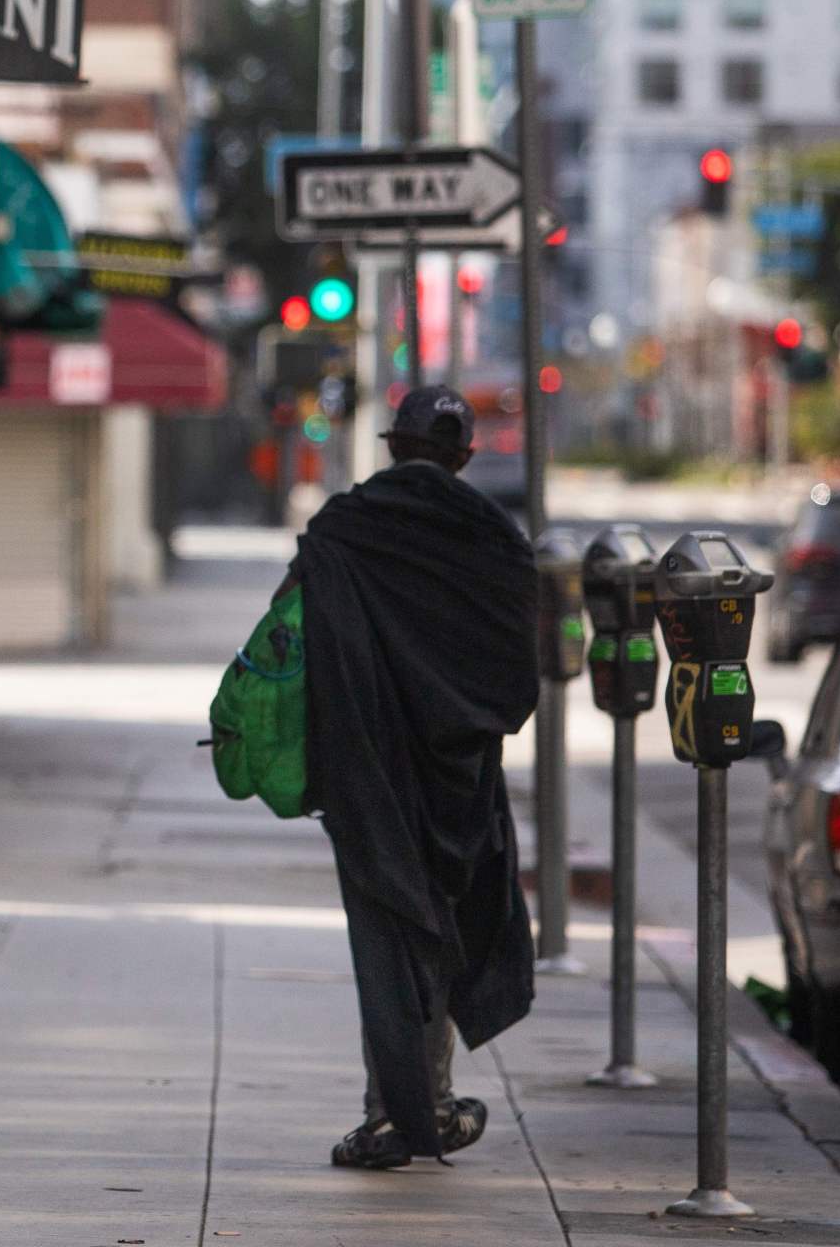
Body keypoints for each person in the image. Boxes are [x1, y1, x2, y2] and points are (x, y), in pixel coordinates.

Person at [287, 386, 539, 1170]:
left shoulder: (345, 527)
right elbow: (518, 678)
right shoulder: (494, 538)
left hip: (365, 771)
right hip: (458, 779)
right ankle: (417, 1103)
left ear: (393, 446)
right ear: (464, 456)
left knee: (386, 937)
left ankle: (400, 1112)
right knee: (441, 929)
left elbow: (291, 639)